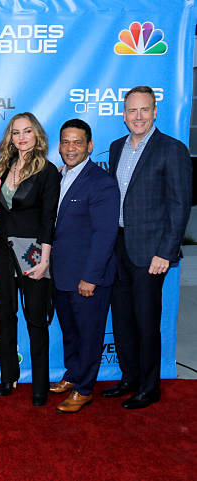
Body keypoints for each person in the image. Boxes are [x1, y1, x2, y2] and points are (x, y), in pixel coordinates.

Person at [104, 86, 192, 409]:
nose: (138, 116)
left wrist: (166, 252)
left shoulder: (172, 149)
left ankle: (149, 387)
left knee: (145, 321)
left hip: (151, 253)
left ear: (155, 112)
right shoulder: (117, 148)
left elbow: (179, 205)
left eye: (144, 110)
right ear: (124, 114)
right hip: (118, 248)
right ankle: (129, 378)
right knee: (122, 320)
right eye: (132, 110)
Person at [49, 119, 120, 413]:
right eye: (66, 142)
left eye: (77, 142)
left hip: (88, 277)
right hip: (62, 274)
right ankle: (73, 374)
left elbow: (105, 234)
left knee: (89, 334)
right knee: (71, 332)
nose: (70, 148)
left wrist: (91, 277)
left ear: (89, 146)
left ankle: (85, 389)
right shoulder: (58, 177)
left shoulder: (101, 182)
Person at [0, 112, 60, 407]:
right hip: (1, 248)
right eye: (16, 132)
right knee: (6, 314)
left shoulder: (48, 171)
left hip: (32, 250)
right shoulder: (3, 166)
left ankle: (40, 385)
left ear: (37, 135)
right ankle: (8, 376)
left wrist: (44, 260)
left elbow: (48, 219)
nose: (21, 137)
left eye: (27, 131)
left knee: (36, 318)